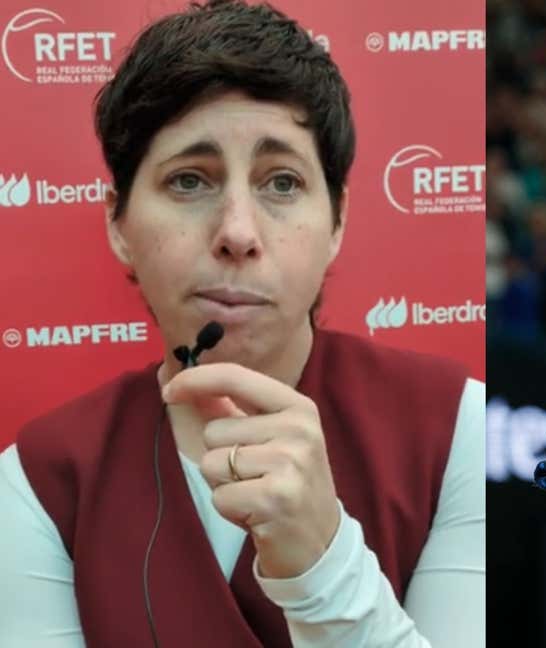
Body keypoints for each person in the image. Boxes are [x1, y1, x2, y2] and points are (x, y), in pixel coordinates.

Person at [0, 2, 484, 647]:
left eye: (282, 183)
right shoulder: (39, 477)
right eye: (189, 181)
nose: (237, 231)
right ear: (118, 223)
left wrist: (323, 562)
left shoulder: (457, 427)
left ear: (336, 220)